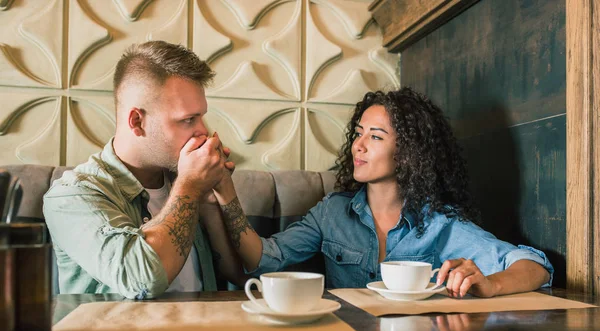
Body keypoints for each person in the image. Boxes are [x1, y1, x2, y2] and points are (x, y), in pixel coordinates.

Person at [211, 87, 553, 298]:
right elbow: (261, 260)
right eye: (358, 134)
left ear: (408, 153)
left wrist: (490, 285)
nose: (358, 146)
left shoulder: (439, 224)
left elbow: (536, 266)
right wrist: (227, 193)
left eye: (375, 137)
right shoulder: (332, 212)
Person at [43, 40, 246, 299]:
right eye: (188, 119)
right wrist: (191, 186)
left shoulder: (185, 179)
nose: (203, 131)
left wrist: (209, 199)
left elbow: (239, 274)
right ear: (137, 122)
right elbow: (142, 280)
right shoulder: (72, 196)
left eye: (201, 116)